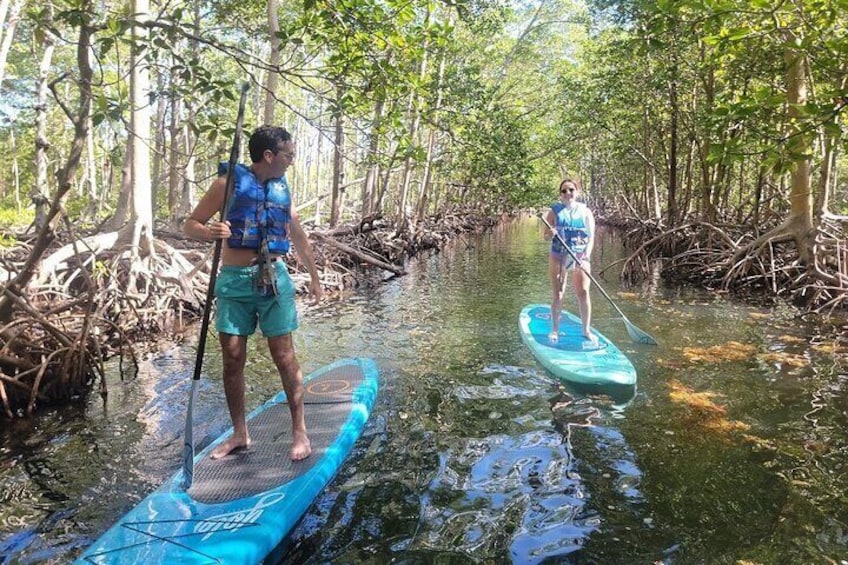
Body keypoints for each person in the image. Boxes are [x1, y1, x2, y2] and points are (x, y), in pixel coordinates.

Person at [184, 125, 322, 461]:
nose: (292, 160)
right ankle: (240, 434)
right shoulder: (227, 184)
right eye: (288, 154)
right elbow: (190, 224)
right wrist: (210, 231)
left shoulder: (281, 188)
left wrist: (315, 276)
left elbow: (298, 235)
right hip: (234, 280)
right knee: (232, 359)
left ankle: (299, 431)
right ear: (269, 155)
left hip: (273, 278)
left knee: (284, 357)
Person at [542, 178, 596, 346]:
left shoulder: (585, 211)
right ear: (560, 194)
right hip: (559, 255)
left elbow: (591, 237)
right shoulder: (554, 211)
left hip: (580, 256)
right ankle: (555, 330)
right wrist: (550, 233)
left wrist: (585, 256)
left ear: (577, 192)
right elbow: (545, 236)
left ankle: (586, 330)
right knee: (558, 293)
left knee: (583, 292)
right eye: (564, 191)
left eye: (571, 189)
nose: (568, 193)